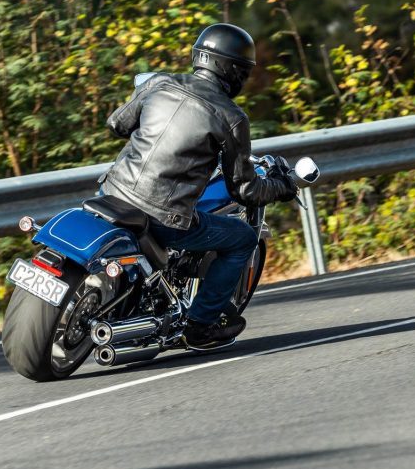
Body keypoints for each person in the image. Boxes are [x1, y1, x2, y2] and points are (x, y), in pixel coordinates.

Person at [99, 23, 298, 350]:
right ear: (232, 70)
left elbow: (116, 124)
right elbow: (244, 191)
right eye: (243, 73)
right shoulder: (231, 117)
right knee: (242, 238)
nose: (244, 80)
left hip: (112, 193)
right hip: (162, 216)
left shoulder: (159, 82)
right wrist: (283, 185)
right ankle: (200, 325)